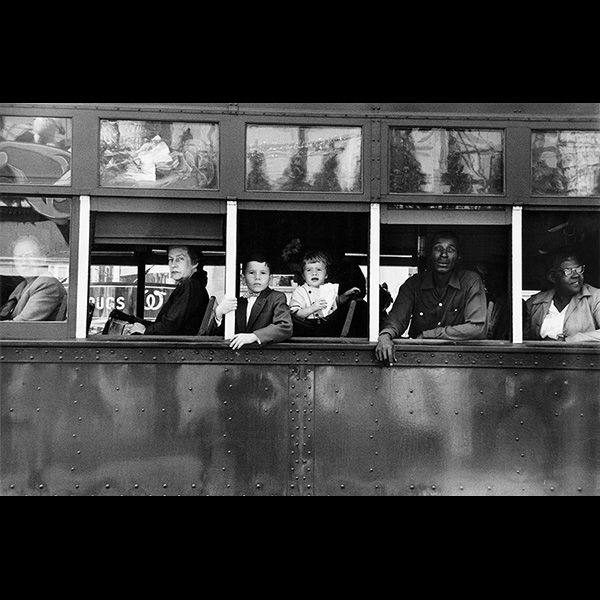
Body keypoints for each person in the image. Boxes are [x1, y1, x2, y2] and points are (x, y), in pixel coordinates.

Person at [376, 230, 488, 366]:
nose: (444, 255)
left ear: (458, 257)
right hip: (418, 361)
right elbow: (396, 319)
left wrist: (428, 335)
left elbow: (477, 328)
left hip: (459, 362)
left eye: (450, 250)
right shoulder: (413, 284)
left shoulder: (470, 282)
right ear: (430, 254)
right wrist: (385, 336)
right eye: (438, 248)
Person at [208, 254, 293, 349]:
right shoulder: (237, 303)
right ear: (243, 278)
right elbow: (217, 335)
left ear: (270, 278)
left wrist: (254, 336)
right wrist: (219, 314)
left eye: (263, 273)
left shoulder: (276, 297)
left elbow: (284, 326)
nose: (257, 277)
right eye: (252, 273)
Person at [126, 246, 209, 336]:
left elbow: (170, 326)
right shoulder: (193, 286)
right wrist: (135, 322)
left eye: (180, 259)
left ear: (195, 262)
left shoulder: (191, 286)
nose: (173, 265)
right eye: (170, 259)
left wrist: (145, 331)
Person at [524, 248, 600, 343]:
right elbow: (524, 340)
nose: (576, 275)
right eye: (568, 271)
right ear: (552, 277)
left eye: (578, 269)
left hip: (578, 353)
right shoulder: (535, 303)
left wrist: (570, 340)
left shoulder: (595, 297)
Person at [289, 251, 361, 337]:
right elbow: (297, 314)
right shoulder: (300, 291)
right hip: (308, 328)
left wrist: (346, 295)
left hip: (328, 327)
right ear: (303, 276)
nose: (314, 273)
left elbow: (336, 302)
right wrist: (312, 308)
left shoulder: (329, 288)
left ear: (326, 275)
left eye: (319, 270)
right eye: (309, 270)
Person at [0, 236, 66, 321]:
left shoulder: (47, 284)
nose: (24, 262)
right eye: (19, 257)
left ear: (43, 259)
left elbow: (21, 324)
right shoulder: (22, 286)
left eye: (29, 256)